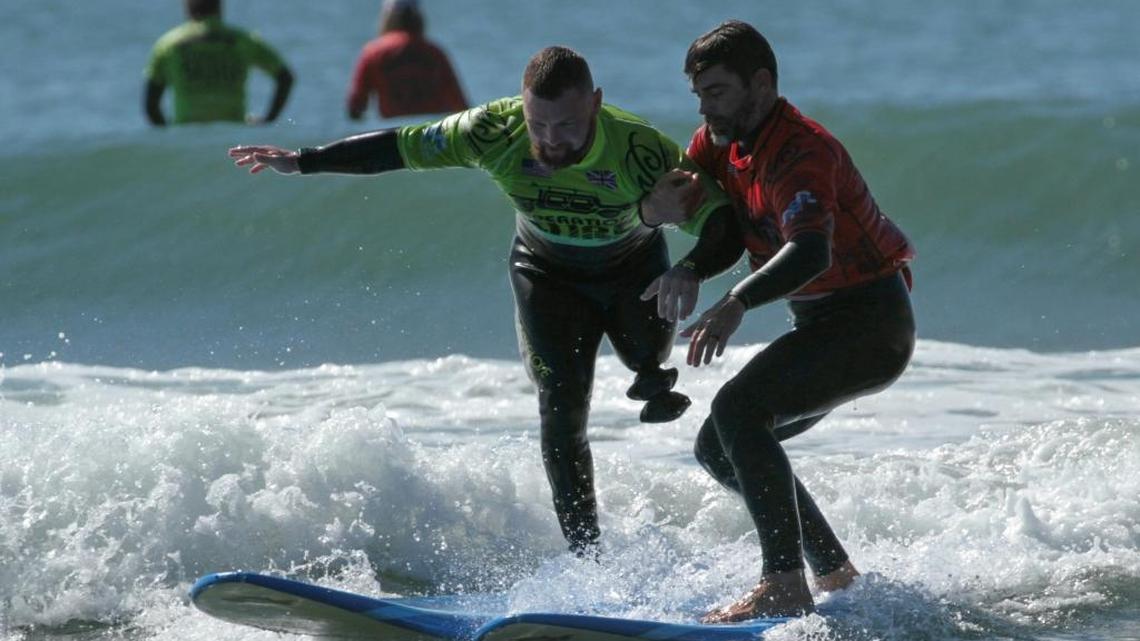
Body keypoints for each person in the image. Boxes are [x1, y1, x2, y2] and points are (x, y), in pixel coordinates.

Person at [228, 46, 739, 556]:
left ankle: (648, 374)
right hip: (546, 271)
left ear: (596, 104)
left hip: (632, 271)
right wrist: (305, 161)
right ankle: (588, 557)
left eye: (566, 125)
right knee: (560, 407)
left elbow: (723, 224)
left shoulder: (640, 150)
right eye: (539, 124)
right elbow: (400, 148)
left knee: (646, 358)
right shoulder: (493, 130)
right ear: (522, 106)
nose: (551, 140)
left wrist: (690, 267)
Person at [643, 20, 917, 621]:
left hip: (871, 326)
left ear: (760, 85)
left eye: (716, 91)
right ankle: (835, 573)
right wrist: (683, 257)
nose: (704, 107)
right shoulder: (718, 143)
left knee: (740, 412)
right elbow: (719, 228)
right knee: (721, 446)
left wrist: (736, 301)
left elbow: (810, 250)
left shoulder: (802, 152)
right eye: (698, 95)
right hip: (821, 324)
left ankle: (783, 582)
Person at [144, 0, 293, 126]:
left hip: (187, 135)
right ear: (219, 7)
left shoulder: (168, 44)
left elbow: (151, 107)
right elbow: (285, 77)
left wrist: (168, 132)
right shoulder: (243, 40)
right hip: (234, 132)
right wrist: (268, 120)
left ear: (187, 6)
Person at [347, 0, 468, 120]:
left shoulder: (372, 52)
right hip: (432, 127)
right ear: (418, 18)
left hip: (391, 130)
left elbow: (356, 107)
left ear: (387, 17)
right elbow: (460, 103)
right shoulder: (434, 52)